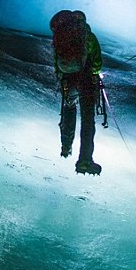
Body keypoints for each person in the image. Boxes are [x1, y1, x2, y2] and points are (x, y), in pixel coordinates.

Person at [50, 9, 103, 175]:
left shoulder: (62, 36)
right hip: (86, 80)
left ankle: (66, 147)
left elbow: (56, 59)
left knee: (69, 108)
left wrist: (62, 76)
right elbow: (97, 63)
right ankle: (85, 160)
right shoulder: (88, 37)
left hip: (67, 79)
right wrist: (94, 74)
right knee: (88, 119)